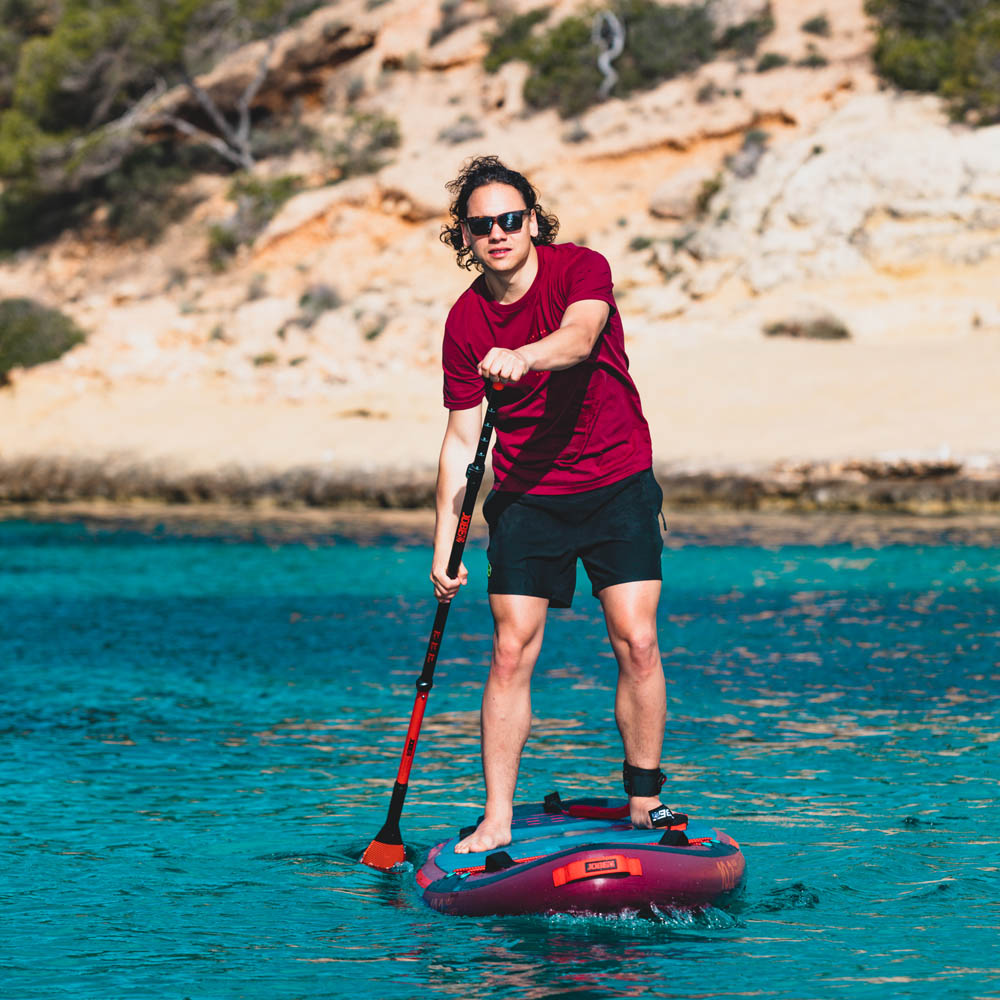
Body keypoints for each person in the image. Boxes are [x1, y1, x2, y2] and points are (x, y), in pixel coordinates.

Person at [432, 155, 670, 855]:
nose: (499, 233)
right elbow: (458, 439)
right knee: (510, 651)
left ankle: (644, 801)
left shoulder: (580, 269)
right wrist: (445, 538)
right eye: (483, 226)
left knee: (638, 638)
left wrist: (525, 355)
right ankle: (497, 815)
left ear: (532, 221)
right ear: (467, 238)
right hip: (528, 496)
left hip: (618, 481)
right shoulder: (465, 321)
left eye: (511, 219)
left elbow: (581, 337)